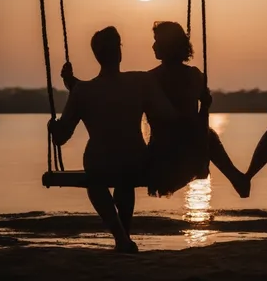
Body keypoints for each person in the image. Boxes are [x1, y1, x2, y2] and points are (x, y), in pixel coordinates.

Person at [61, 21, 267, 200]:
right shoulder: (196, 76)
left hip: (163, 161)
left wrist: (74, 86)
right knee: (205, 134)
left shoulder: (150, 79)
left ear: (168, 45)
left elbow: (113, 92)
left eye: (156, 41)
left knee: (203, 134)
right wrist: (204, 109)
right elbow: (192, 119)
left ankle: (240, 177)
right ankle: (240, 177)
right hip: (191, 154)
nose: (152, 46)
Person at [49, 26, 183, 253]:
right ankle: (124, 237)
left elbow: (61, 138)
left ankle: (120, 237)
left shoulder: (83, 91)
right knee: (125, 181)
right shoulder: (141, 81)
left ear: (96, 56)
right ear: (119, 53)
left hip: (99, 162)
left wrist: (53, 126)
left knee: (96, 183)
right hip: (136, 160)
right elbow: (169, 115)